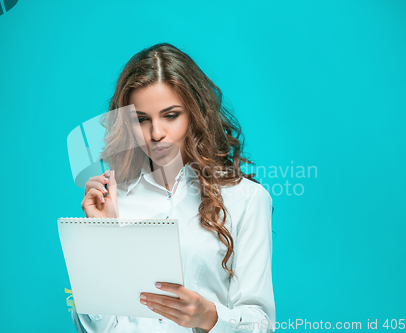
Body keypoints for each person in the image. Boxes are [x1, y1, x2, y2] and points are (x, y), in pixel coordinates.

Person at [71, 43, 275, 333]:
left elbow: (261, 323)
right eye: (142, 119)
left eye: (170, 115)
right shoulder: (113, 200)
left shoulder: (246, 199)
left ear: (194, 113)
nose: (156, 133)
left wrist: (210, 318)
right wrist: (103, 239)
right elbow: (93, 329)